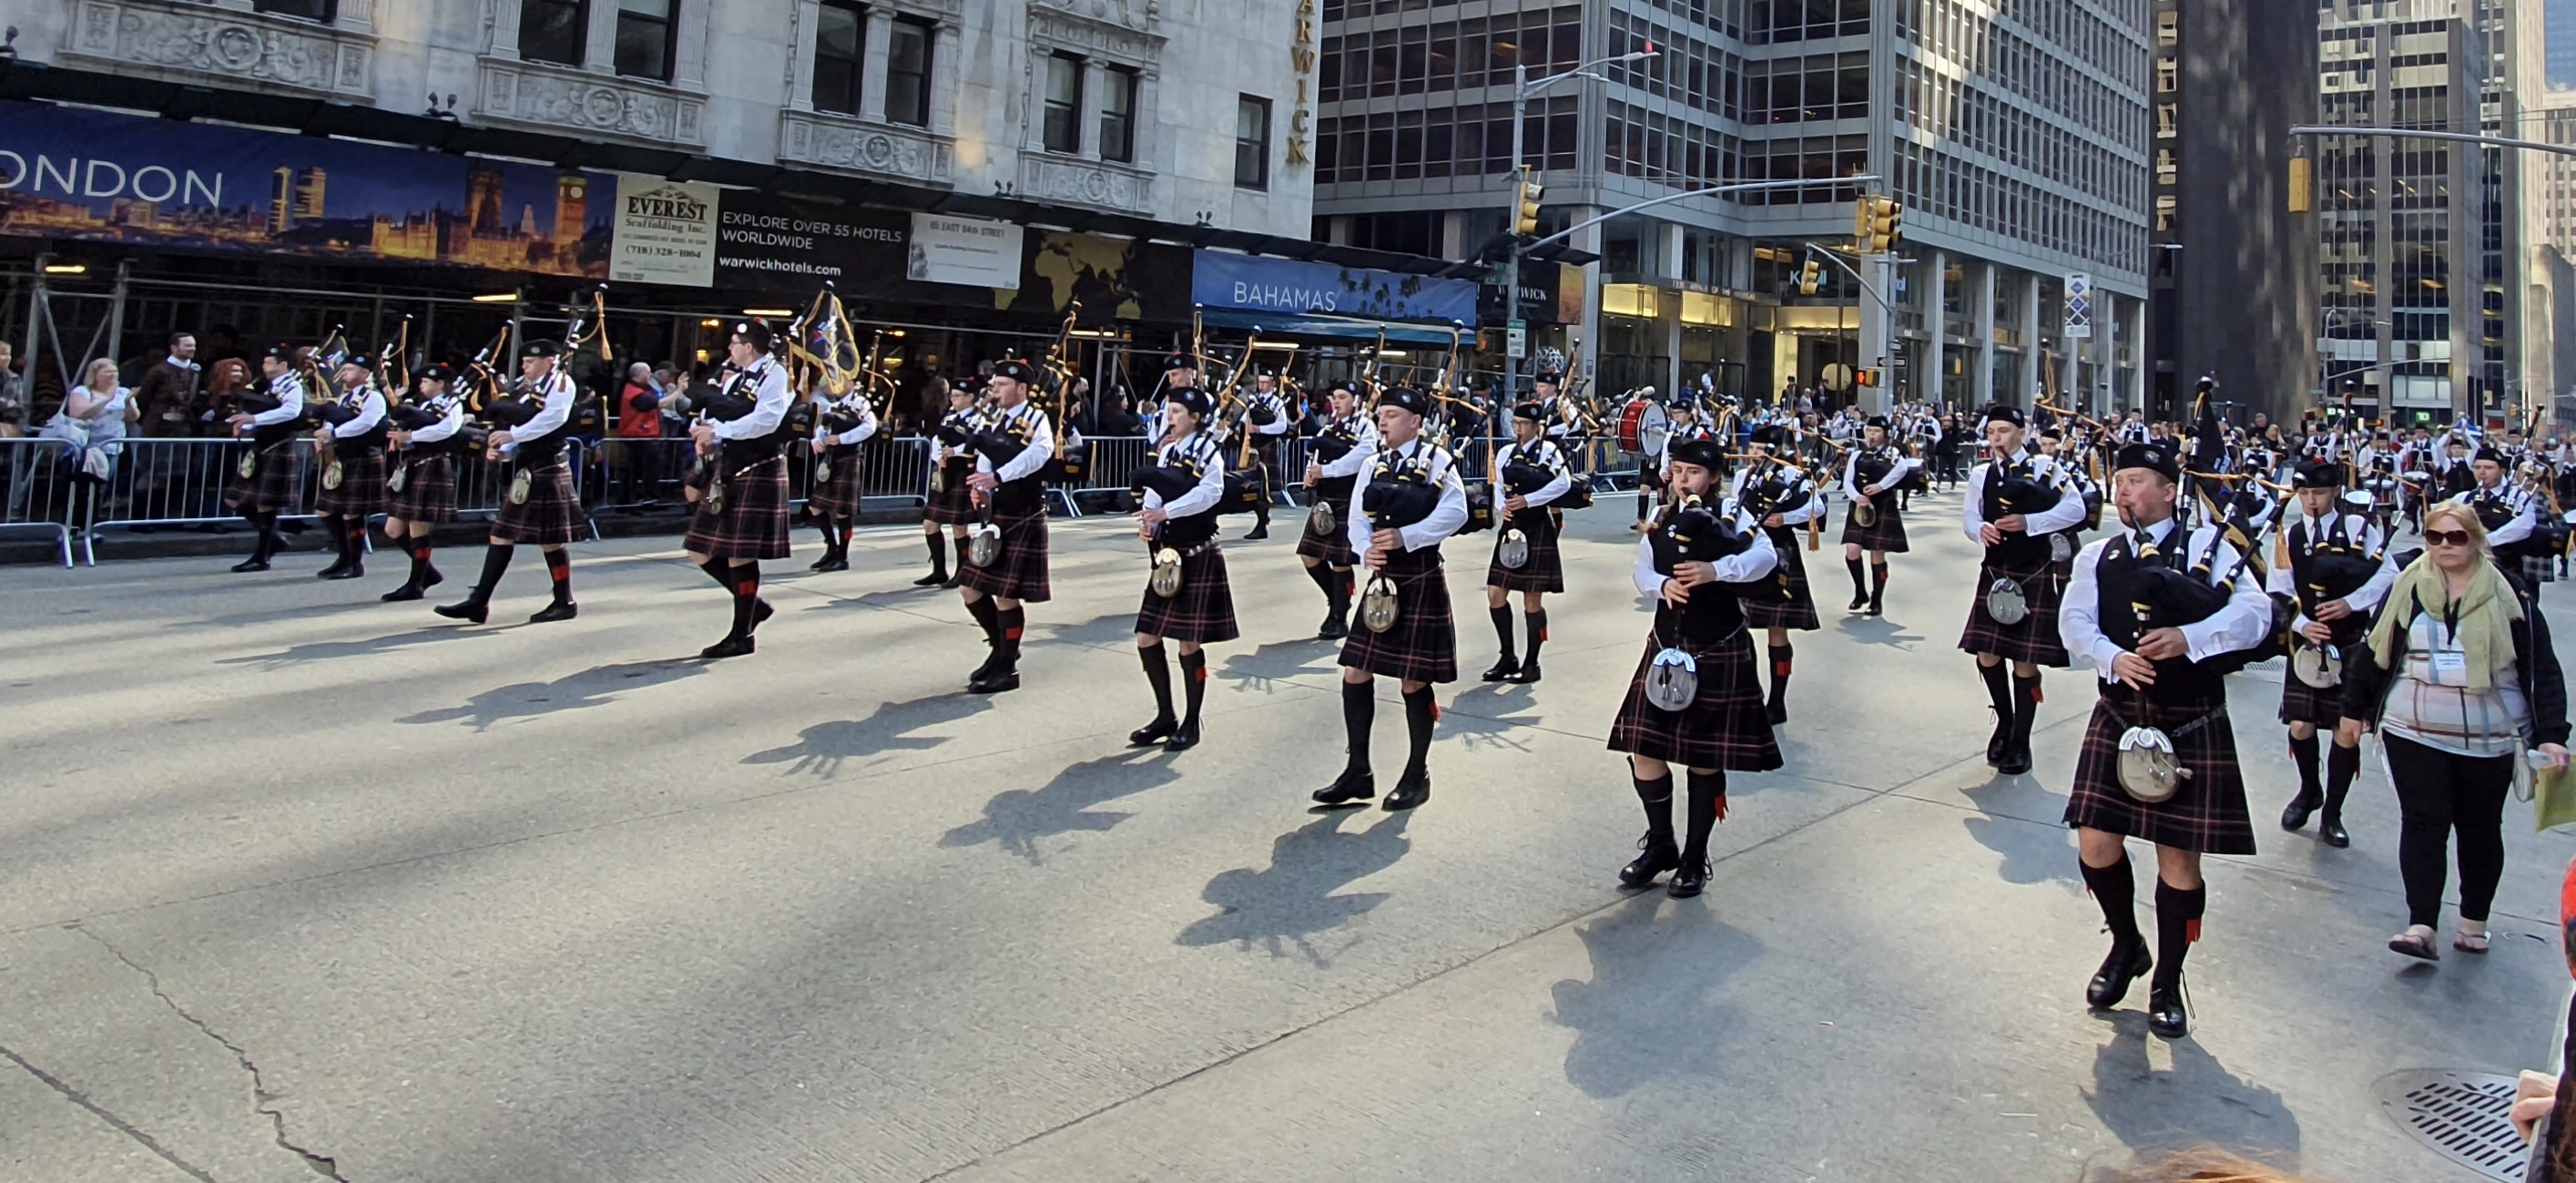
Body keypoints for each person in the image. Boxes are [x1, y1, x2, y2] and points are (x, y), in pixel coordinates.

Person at [2061, 439, 2273, 1040]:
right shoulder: (2098, 554)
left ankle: (2166, 981)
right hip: (2120, 712)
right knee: (2095, 843)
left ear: (2164, 489)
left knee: (2178, 858)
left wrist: (2190, 638)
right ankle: (2127, 946)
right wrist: (2110, 655)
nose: (2123, 490)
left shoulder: (2210, 548)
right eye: (2119, 480)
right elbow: (2073, 620)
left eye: (2134, 480)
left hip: (2189, 716)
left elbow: (2256, 616)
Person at [2344, 502, 2571, 961]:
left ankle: (2473, 922)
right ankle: (2421, 924)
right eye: (2434, 537)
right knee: (2423, 822)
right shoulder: (2405, 588)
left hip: (2490, 737)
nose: (2445, 546)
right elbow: (2374, 651)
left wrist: (2552, 734)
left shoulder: (2512, 596)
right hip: (2414, 727)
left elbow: (2541, 667)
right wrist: (2353, 710)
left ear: (2477, 539)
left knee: (2480, 829)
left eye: (2456, 537)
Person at [1607, 436, 1784, 898]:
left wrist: (1716, 570)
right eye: (1679, 471)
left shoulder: (1733, 515)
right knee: (1644, 749)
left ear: (1713, 478)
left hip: (1717, 646)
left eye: (1694, 473)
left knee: (1704, 760)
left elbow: (1764, 558)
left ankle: (1693, 857)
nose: (1684, 480)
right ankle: (1661, 844)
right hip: (1667, 648)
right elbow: (1641, 570)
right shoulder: (1662, 518)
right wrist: (1662, 585)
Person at [1316, 385, 1466, 812]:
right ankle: (1358, 771)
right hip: (1381, 580)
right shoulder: (1372, 463)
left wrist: (1407, 537)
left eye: (1394, 415)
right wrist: (1366, 550)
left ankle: (1416, 774)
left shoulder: (1438, 460)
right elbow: (1355, 520)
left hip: (1419, 577)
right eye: (1381, 415)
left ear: (1416, 422)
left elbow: (1455, 511)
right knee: (1355, 671)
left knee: (1414, 680)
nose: (1383, 421)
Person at [2268, 458, 2396, 847]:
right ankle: (2309, 791)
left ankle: (2333, 813)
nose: (2311, 502)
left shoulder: (2359, 528)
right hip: (2309, 641)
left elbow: (2389, 573)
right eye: (2304, 493)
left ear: (2335, 492)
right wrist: (2303, 624)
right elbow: (2278, 590)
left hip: (2351, 639)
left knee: (2347, 730)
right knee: (2301, 725)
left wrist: (2352, 603)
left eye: (2319, 493)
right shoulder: (2288, 536)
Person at [1960, 403, 2085, 775]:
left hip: (2032, 571)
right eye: (1991, 431)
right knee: (1986, 653)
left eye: (2003, 430)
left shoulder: (2047, 468)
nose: (1996, 437)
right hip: (1995, 569)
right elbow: (1970, 515)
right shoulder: (1981, 474)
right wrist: (1978, 529)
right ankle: (2004, 720)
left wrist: (2030, 522)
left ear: (2021, 432)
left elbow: (2077, 509)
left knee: (2023, 660)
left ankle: (2022, 740)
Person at [435, 340, 580, 625]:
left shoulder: (562, 384)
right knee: (514, 535)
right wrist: (501, 447)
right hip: (529, 464)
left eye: (530, 362)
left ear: (549, 360)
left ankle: (561, 600)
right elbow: (510, 420)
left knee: (542, 539)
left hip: (549, 465)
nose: (524, 366)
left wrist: (513, 436)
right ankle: (483, 601)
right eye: (524, 361)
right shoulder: (525, 388)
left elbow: (552, 419)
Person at [1128, 386, 1238, 750]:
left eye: (1177, 411)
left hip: (1197, 552)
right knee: (1147, 634)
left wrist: (1167, 513)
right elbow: (1155, 492)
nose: (1170, 417)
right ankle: (1165, 715)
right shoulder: (1169, 451)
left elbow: (1210, 493)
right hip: (1166, 555)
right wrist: (1150, 520)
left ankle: (1191, 721)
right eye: (1169, 410)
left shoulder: (1210, 451)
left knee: (1188, 642)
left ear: (1195, 417)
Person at [682, 323, 796, 658]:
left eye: (735, 343)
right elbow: (708, 413)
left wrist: (717, 431)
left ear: (749, 347)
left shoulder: (775, 376)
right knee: (699, 549)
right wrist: (701, 429)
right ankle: (753, 607)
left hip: (759, 467)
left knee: (739, 554)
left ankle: (741, 633)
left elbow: (767, 420)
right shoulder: (735, 377)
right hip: (728, 467)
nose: (730, 348)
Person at [955, 360, 1055, 694]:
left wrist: (999, 477)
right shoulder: (994, 419)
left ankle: (1007, 668)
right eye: (994, 384)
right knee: (970, 588)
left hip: (1023, 514)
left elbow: (1040, 454)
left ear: (1022, 389)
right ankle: (1001, 648)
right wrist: (980, 485)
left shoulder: (1037, 419)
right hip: (996, 516)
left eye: (1001, 384)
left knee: (1006, 596)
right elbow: (986, 455)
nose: (994, 389)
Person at [1729, 423, 1822, 725]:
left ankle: (1777, 701)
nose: (1754, 455)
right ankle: (1751, 693)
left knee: (1776, 629)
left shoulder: (1793, 475)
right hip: (1748, 553)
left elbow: (1816, 507)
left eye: (1761, 450)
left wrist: (1785, 517)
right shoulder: (1744, 476)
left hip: (1781, 553)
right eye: (1752, 449)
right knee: (1738, 628)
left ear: (1776, 451)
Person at [1482, 401, 1573, 684]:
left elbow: (1564, 483)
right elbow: (1496, 484)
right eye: (1516, 423)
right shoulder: (1507, 452)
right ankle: (1507, 656)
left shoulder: (1550, 451)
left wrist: (1529, 500)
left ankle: (1532, 663)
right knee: (1495, 594)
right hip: (1511, 527)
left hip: (1536, 526)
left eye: (1523, 424)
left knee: (1532, 599)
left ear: (1537, 427)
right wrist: (1502, 507)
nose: (1518, 428)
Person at [380, 364, 466, 601]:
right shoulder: (425, 406)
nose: (422, 386)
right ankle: (427, 573)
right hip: (413, 464)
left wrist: (411, 437)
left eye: (427, 382)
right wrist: (402, 441)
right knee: (393, 529)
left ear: (440, 384)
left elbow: (447, 429)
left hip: (432, 464)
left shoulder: (452, 403)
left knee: (418, 526)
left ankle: (415, 583)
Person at [1298, 380, 1377, 639]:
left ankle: (1339, 619)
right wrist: (1311, 474)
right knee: (1309, 556)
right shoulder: (1329, 427)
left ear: (1355, 400)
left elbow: (1362, 457)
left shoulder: (1366, 426)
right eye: (1336, 397)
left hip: (1348, 498)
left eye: (1343, 396)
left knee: (1340, 562)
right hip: (1325, 499)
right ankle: (1337, 600)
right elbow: (1316, 455)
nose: (1338, 401)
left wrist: (1328, 471)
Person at [223, 345, 312, 572]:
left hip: (279, 446)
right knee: (234, 499)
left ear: (283, 365)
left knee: (265, 505)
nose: (265, 367)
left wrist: (253, 419)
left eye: (269, 363)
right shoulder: (265, 385)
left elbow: (291, 412)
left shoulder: (293, 386)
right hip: (260, 446)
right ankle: (274, 539)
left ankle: (262, 556)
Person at [310, 354, 390, 580]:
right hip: (342, 458)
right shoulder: (345, 398)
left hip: (363, 458)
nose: (344, 373)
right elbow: (332, 420)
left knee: (352, 513)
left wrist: (334, 433)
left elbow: (366, 423)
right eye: (344, 369)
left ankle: (355, 563)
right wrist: (324, 435)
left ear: (365, 374)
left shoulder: (374, 397)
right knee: (325, 509)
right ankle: (343, 557)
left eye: (350, 369)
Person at [1840, 414, 1915, 617]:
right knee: (1852, 550)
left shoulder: (1893, 453)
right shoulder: (1857, 454)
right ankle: (1860, 592)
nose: (1872, 435)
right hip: (1859, 506)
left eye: (1876, 432)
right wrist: (1856, 497)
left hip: (1882, 504)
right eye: (1869, 431)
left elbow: (1901, 470)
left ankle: (1876, 600)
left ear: (1885, 434)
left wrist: (1880, 486)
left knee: (1876, 553)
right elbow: (1848, 480)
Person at [2449, 444, 2550, 589]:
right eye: (2477, 468)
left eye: (2489, 468)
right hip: (2470, 567)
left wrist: (2487, 540)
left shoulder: (2518, 497)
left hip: (2508, 568)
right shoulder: (2463, 498)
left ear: (2502, 471)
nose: (2482, 473)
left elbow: (2524, 525)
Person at [805, 382, 880, 573]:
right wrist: (816, 440)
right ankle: (832, 548)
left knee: (842, 511)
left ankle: (842, 556)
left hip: (849, 457)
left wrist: (842, 439)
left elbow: (870, 427)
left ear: (851, 383)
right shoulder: (832, 403)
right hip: (831, 459)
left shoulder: (859, 402)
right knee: (815, 505)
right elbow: (821, 426)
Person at [917, 378, 977, 587]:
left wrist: (956, 452)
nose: (953, 399)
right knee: (930, 523)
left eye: (958, 396)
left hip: (963, 474)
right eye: (952, 396)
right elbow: (935, 440)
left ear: (970, 397)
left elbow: (979, 443)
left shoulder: (978, 420)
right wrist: (938, 456)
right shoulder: (949, 418)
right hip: (945, 475)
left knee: (959, 526)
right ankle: (938, 571)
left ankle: (963, 571)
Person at [41, 357, 134, 479]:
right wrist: (107, 400)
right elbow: (78, 413)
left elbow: (132, 418)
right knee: (82, 484)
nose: (113, 375)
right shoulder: (82, 391)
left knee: (103, 486)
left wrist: (128, 403)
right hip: (86, 447)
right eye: (108, 372)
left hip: (112, 446)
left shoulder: (123, 392)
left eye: (115, 371)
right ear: (95, 374)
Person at [1239, 369, 1291, 540]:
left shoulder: (1277, 403)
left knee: (1264, 488)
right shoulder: (1253, 401)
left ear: (1273, 384)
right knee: (1253, 486)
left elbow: (1282, 426)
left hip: (1268, 446)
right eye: (1259, 382)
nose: (1261, 386)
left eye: (1265, 383)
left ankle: (1262, 524)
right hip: (1254, 447)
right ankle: (1262, 519)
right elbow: (1242, 419)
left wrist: (1259, 428)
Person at [614, 362, 667, 505]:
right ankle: (633, 501)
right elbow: (659, 403)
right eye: (648, 373)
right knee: (637, 471)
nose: (650, 376)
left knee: (643, 469)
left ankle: (644, 498)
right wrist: (679, 390)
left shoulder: (643, 389)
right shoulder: (633, 392)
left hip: (645, 434)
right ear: (639, 374)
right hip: (638, 435)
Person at [131, 332, 202, 439]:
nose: (192, 349)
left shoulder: (195, 370)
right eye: (187, 345)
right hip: (158, 426)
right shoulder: (158, 371)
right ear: (174, 348)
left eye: (193, 345)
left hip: (184, 426)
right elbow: (144, 397)